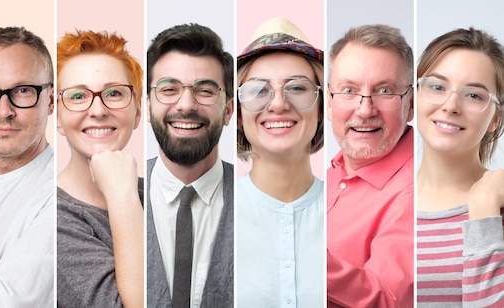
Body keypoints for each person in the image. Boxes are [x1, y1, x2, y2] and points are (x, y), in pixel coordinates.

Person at [235, 17, 324, 307]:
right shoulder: (214, 214)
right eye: (258, 90)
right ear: (237, 114)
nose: (277, 104)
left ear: (322, 108)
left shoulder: (352, 211)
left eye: (297, 88)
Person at [146, 23, 234, 307]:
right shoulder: (113, 196)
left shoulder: (257, 199)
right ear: (147, 106)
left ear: (229, 110)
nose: (186, 105)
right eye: (168, 88)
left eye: (205, 90)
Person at [326, 24, 414, 307]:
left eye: (384, 90)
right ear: (329, 101)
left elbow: (389, 298)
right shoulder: (323, 176)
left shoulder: (417, 191)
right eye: (348, 90)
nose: (365, 110)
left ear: (410, 104)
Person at [0, 26, 54, 306]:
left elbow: (5, 301)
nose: (4, 111)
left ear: (50, 100)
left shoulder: (62, 193)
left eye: (23, 90)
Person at [416, 27, 504, 306]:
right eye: (437, 86)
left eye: (474, 95)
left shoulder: (494, 206)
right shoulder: (379, 201)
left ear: (495, 120)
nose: (451, 105)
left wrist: (484, 211)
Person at [56, 30, 144, 308]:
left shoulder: (164, 191)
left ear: (138, 112)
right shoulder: (48, 216)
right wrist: (122, 197)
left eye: (114, 93)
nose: (97, 110)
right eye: (78, 96)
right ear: (57, 116)